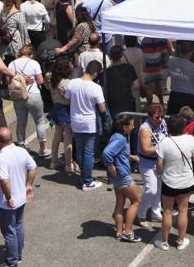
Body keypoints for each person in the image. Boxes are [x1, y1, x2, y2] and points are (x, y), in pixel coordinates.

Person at [0, 127, 37, 267]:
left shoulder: (1, 158)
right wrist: (28, 185)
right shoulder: (21, 151)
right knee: (18, 226)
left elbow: (4, 181)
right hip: (21, 199)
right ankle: (17, 255)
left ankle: (11, 261)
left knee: (9, 231)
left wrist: (8, 197)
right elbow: (33, 166)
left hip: (6, 202)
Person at [155, 113, 194, 251]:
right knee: (183, 211)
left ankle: (164, 242)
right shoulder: (190, 139)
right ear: (183, 126)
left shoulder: (164, 142)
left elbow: (159, 165)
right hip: (186, 181)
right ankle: (180, 241)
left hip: (169, 181)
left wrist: (160, 173)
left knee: (167, 212)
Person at [65, 61, 108, 191]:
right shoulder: (96, 88)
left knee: (79, 150)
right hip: (89, 122)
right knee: (89, 152)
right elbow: (102, 109)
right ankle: (87, 181)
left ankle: (84, 177)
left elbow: (67, 100)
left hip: (75, 121)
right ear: (95, 73)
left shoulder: (72, 83)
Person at [103, 114, 141, 243]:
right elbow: (107, 153)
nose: (133, 126)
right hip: (123, 176)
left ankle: (119, 232)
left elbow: (118, 152)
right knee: (136, 201)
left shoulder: (116, 137)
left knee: (120, 202)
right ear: (125, 127)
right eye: (131, 124)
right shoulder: (120, 139)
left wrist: (130, 156)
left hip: (116, 179)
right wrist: (110, 166)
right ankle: (128, 232)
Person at [7, 45, 46, 159]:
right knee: (39, 121)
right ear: (31, 54)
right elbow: (40, 81)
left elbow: (8, 80)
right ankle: (43, 149)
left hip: (18, 95)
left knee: (21, 121)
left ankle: (21, 146)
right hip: (33, 94)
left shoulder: (12, 64)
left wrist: (20, 78)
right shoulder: (34, 63)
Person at [135, 105, 167, 227]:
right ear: (149, 116)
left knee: (159, 188)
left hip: (160, 161)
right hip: (147, 162)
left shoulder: (163, 123)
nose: (160, 119)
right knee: (151, 189)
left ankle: (155, 212)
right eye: (157, 117)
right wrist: (164, 147)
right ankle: (141, 214)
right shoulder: (145, 129)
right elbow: (146, 150)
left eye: (162, 116)